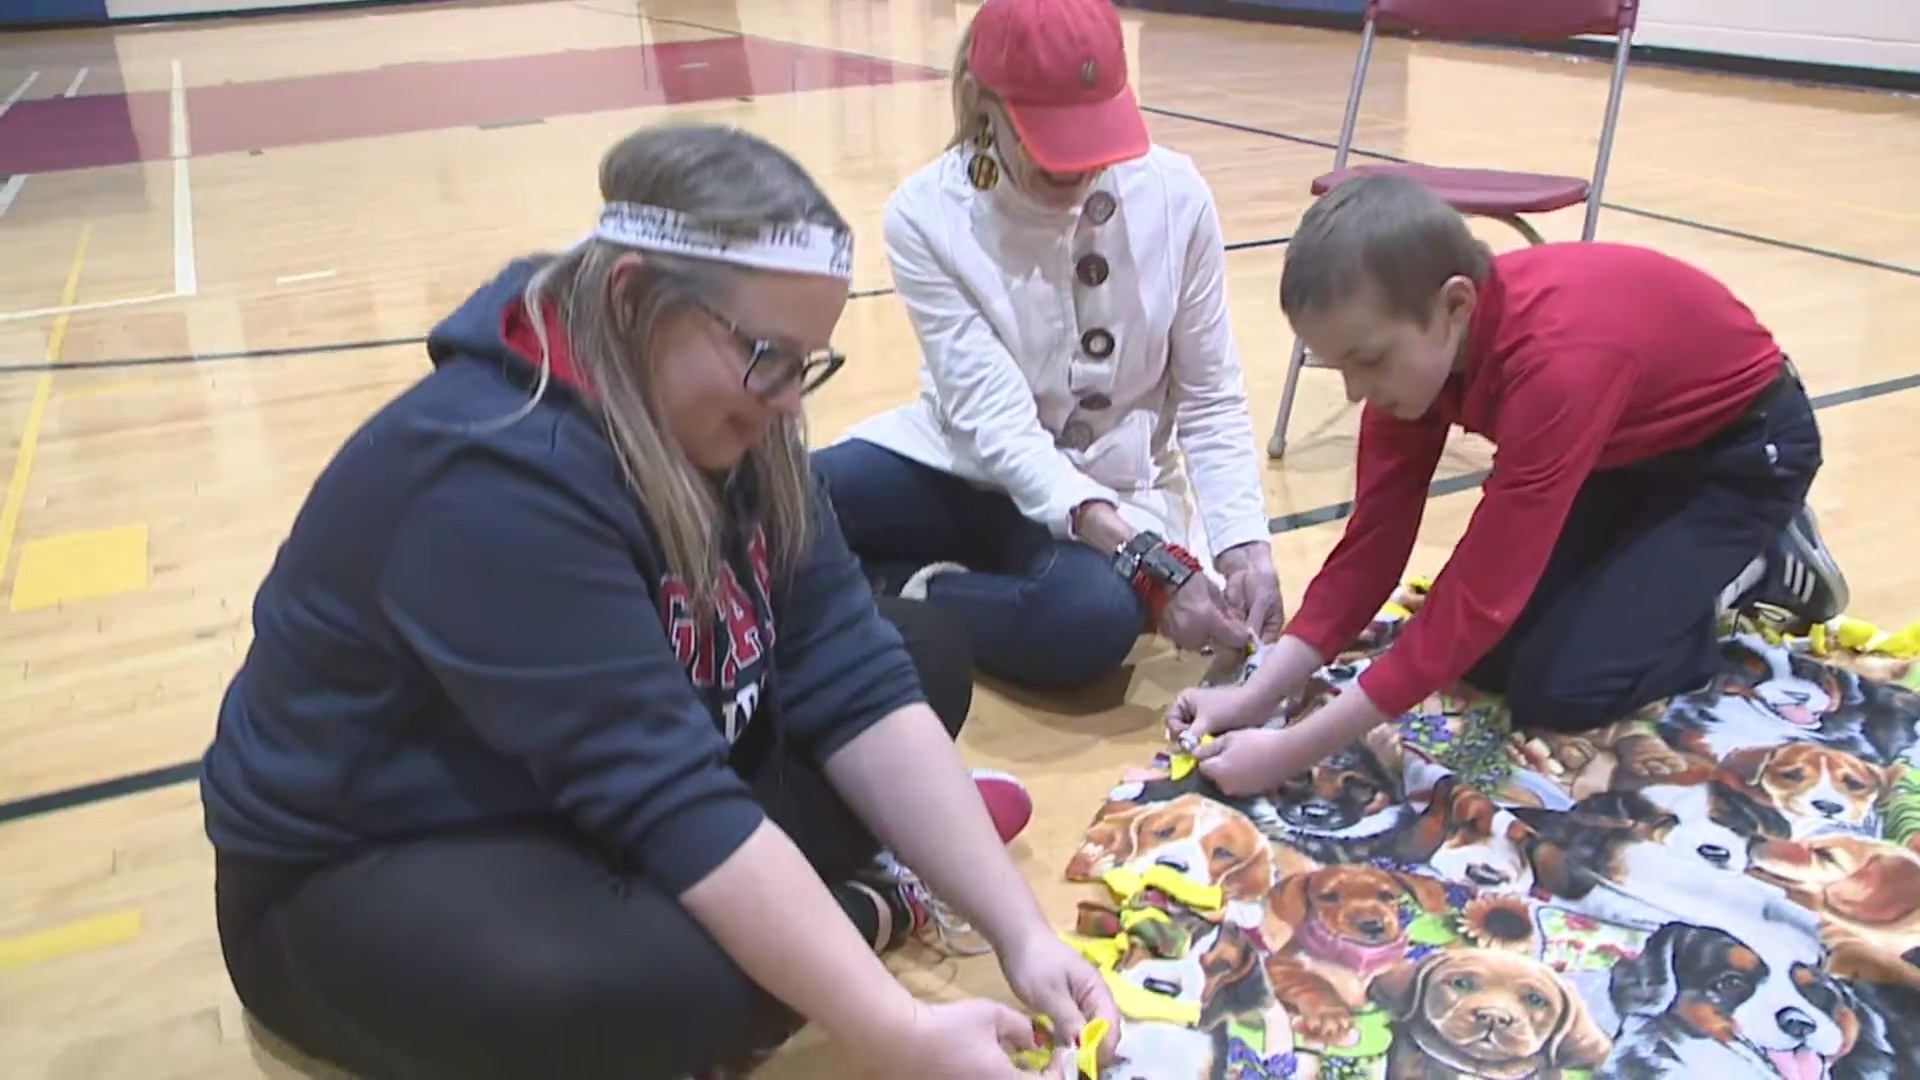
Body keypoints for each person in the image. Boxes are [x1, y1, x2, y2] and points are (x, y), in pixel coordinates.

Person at [199, 122, 1119, 1080]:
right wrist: (899, 1034)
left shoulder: (741, 421)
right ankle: (855, 909)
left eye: (806, 362)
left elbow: (852, 669)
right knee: (685, 989)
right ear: (636, 297)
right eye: (769, 354)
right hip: (379, 860)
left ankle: (811, 915)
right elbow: (670, 799)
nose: (791, 400)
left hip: (594, 796)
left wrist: (1025, 936)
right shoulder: (489, 474)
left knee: (922, 656)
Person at [1169, 174, 1850, 795]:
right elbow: (1372, 547)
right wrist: (1256, 696)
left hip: (1739, 456)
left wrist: (1291, 751)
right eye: (1337, 365)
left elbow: (1477, 595)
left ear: (1454, 305)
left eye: (1368, 361)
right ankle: (1673, 558)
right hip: (1625, 455)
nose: (1354, 390)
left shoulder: (1554, 365)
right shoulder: (1416, 359)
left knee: (1567, 688)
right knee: (1488, 662)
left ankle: (1756, 559)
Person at [812, 0, 1282, 690]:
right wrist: (1150, 563)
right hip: (957, 469)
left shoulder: (1178, 196)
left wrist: (1245, 548)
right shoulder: (924, 212)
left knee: (1087, 621)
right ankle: (928, 589)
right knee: (778, 496)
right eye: (1048, 137)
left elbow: (1210, 398)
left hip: (1115, 496)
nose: (1080, 165)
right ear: (983, 101)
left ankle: (899, 591)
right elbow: (996, 425)